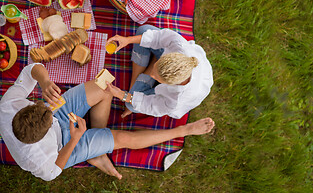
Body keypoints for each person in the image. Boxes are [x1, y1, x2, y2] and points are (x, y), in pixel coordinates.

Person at [0, 63, 215, 181]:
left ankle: (97, 150)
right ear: (39, 137)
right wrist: (75, 140)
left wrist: (44, 81)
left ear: (26, 108)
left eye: (39, 106)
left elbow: (31, 69)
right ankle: (184, 130)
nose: (51, 110)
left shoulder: (8, 105)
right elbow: (55, 170)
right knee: (123, 138)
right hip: (63, 147)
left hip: (50, 120)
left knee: (104, 86)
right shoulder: (38, 162)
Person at [106, 25, 214, 119]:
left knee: (130, 105)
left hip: (175, 94)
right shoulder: (179, 45)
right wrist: (127, 40)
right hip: (172, 60)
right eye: (154, 67)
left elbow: (152, 106)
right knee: (144, 30)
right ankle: (151, 64)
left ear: (171, 84)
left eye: (156, 77)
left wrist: (122, 95)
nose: (152, 75)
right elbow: (158, 37)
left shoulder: (176, 100)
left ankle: (152, 61)